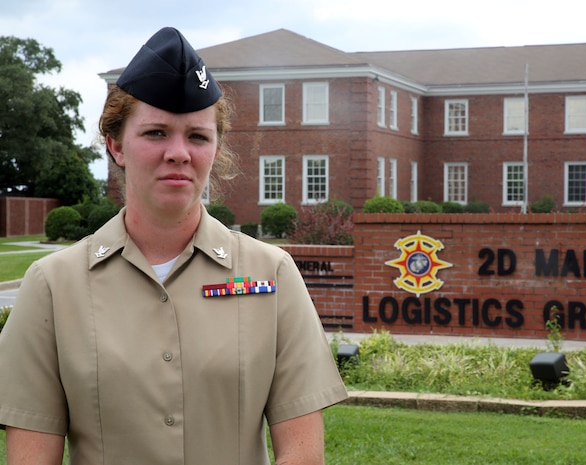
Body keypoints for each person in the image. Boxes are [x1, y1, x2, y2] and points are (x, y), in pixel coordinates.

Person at [0, 27, 348, 465]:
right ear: (115, 145)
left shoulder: (271, 275)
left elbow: (303, 455)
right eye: (157, 133)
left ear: (215, 148)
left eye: (198, 136)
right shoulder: (52, 286)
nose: (179, 153)